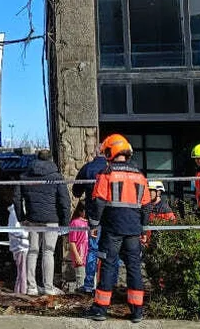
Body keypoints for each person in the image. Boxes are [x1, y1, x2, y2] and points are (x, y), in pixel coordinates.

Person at [84, 134, 151, 324]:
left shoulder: (107, 173)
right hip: (133, 229)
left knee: (107, 265)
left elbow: (98, 202)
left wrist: (94, 225)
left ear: (111, 151)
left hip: (112, 228)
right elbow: (146, 205)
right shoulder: (140, 175)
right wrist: (144, 230)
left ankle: (100, 309)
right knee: (134, 267)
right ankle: (137, 311)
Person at [13, 149, 70, 295]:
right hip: (52, 220)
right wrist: (65, 222)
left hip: (32, 219)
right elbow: (64, 201)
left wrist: (21, 218)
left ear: (36, 158)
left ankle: (31, 287)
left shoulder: (24, 176)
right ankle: (48, 288)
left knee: (32, 252)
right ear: (51, 159)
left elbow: (16, 199)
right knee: (48, 252)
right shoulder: (57, 177)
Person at [72, 136, 114, 294]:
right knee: (111, 250)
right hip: (111, 217)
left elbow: (76, 192)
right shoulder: (113, 168)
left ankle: (89, 285)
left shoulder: (87, 168)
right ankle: (110, 284)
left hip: (93, 218)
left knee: (93, 249)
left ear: (95, 153)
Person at [7, 204, 29, 295]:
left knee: (21, 272)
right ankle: (22, 292)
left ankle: (19, 291)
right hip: (21, 246)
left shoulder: (14, 213)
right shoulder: (16, 214)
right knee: (22, 272)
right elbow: (17, 231)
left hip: (20, 246)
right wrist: (29, 234)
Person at [67, 202, 89, 293]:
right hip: (80, 257)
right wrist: (77, 257)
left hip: (89, 258)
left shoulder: (90, 223)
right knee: (81, 282)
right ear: (80, 211)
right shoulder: (75, 223)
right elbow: (72, 242)